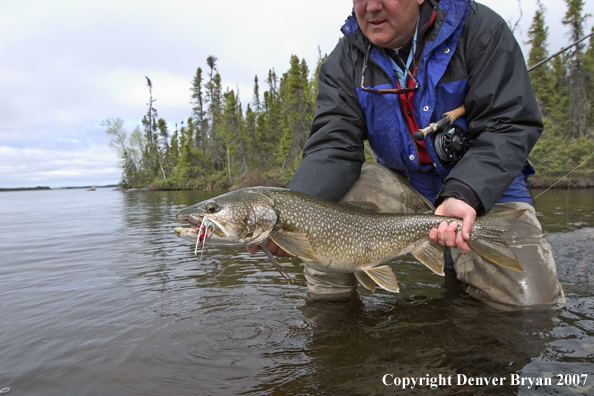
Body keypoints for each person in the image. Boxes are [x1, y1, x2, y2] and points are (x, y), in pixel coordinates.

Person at [250, 0, 565, 310]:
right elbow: (332, 147)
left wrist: (466, 192)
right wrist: (286, 216)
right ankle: (331, 323)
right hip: (404, 183)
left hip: (486, 185)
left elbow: (509, 125)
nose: (371, 7)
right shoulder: (345, 60)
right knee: (324, 212)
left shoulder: (480, 29)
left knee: (531, 308)